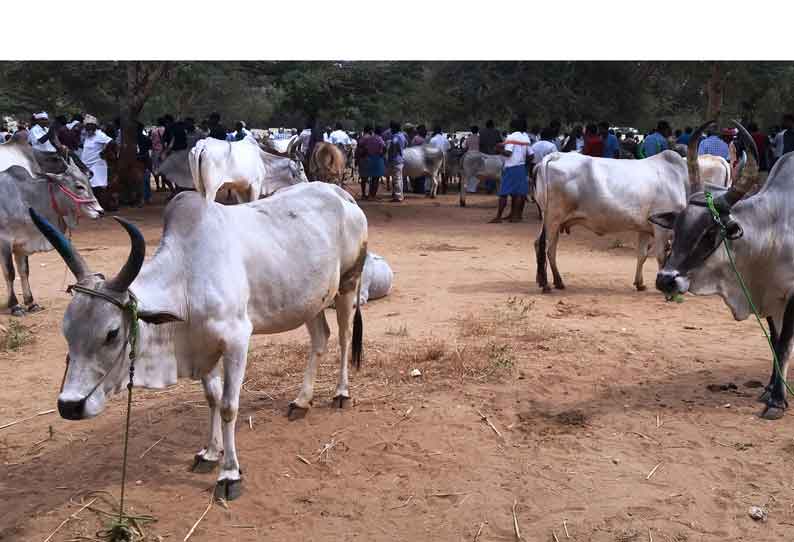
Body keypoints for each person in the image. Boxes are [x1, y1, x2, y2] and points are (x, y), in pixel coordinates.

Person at [490, 117, 531, 223]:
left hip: (511, 167)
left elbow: (508, 153)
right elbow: (531, 155)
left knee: (503, 193)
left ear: (513, 127)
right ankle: (515, 216)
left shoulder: (511, 136)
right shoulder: (525, 137)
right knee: (518, 193)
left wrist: (498, 150)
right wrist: (522, 160)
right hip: (521, 167)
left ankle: (498, 217)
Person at [80, 115, 113, 207]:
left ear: (95, 126)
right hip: (87, 165)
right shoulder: (87, 135)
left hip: (97, 164)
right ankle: (93, 206)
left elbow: (111, 142)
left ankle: (102, 206)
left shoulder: (100, 135)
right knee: (89, 186)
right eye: (87, 126)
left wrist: (104, 152)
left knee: (99, 187)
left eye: (91, 125)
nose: (88, 127)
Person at [358, 125, 385, 200]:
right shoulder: (379, 139)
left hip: (367, 158)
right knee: (375, 178)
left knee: (365, 177)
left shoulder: (368, 138)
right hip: (377, 159)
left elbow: (360, 146)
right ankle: (372, 195)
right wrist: (382, 154)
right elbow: (384, 147)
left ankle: (364, 194)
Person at [387, 121, 408, 202]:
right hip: (400, 159)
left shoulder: (395, 136)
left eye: (391, 128)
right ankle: (399, 195)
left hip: (395, 159)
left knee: (397, 179)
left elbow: (395, 143)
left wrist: (395, 151)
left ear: (394, 128)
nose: (390, 130)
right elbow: (406, 143)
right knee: (399, 178)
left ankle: (398, 196)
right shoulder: (402, 135)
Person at [150, 118, 165, 191]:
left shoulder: (154, 131)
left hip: (155, 152)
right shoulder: (165, 130)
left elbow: (151, 141)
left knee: (155, 169)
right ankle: (164, 186)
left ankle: (158, 186)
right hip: (164, 151)